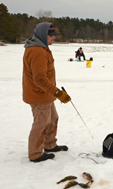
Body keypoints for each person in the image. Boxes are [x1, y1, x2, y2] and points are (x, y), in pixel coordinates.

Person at [23, 22, 72, 162]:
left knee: (52, 119)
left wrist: (53, 93)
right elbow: (40, 79)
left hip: (46, 94)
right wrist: (58, 93)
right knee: (41, 123)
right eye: (51, 35)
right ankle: (35, 154)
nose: (54, 38)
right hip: (38, 95)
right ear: (43, 36)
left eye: (54, 35)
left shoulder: (42, 48)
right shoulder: (37, 51)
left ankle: (49, 145)